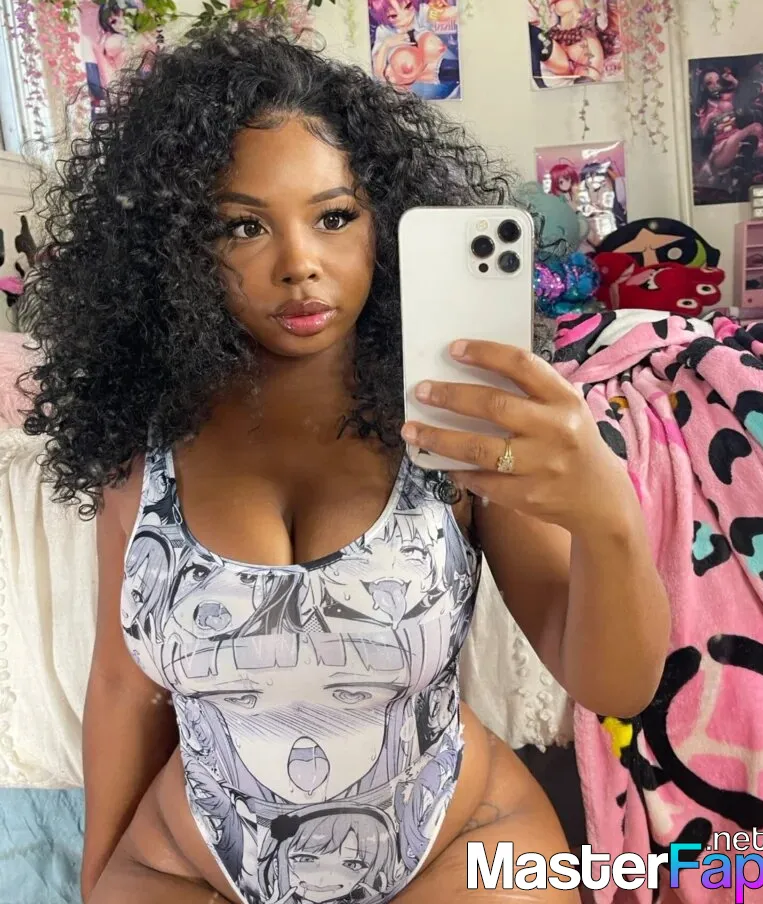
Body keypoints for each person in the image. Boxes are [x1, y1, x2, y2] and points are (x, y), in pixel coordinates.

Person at [17, 22, 670, 904]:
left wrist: (607, 517)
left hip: (457, 847)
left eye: (334, 217)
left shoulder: (456, 426)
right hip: (189, 865)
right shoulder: (146, 447)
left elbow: (616, 686)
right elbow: (123, 690)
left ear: (385, 223)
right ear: (175, 249)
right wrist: (100, 878)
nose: (299, 265)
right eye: (243, 226)